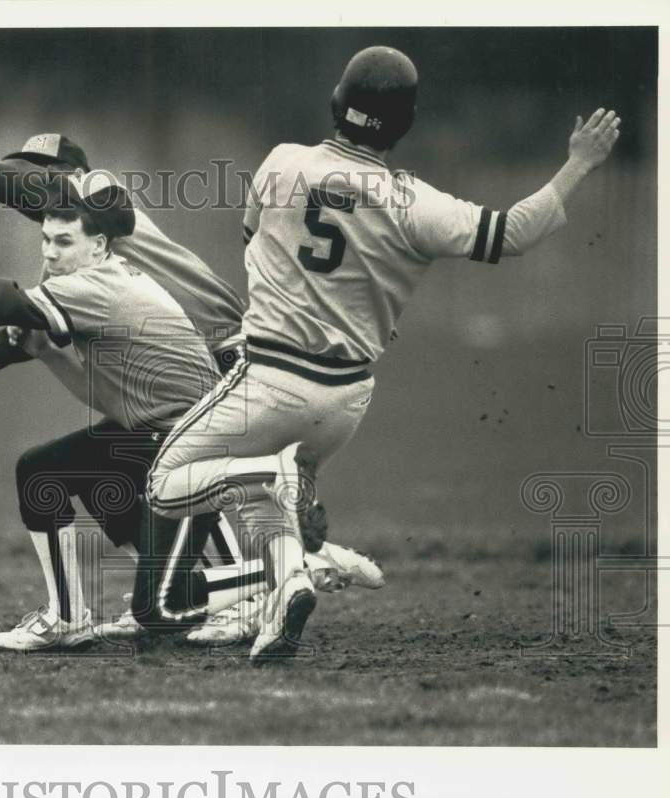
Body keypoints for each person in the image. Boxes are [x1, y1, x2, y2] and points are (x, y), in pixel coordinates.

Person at [146, 45, 621, 662]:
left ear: (337, 104)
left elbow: (255, 242)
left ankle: (280, 478)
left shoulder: (281, 162)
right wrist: (578, 163)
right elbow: (514, 234)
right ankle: (289, 583)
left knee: (165, 485)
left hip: (270, 379)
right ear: (403, 123)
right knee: (262, 497)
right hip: (346, 401)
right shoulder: (412, 202)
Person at [0, 98, 387, 640]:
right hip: (197, 375)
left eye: (48, 176)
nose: (36, 186)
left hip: (228, 354)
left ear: (79, 181)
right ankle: (276, 568)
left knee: (201, 489)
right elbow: (22, 333)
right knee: (124, 479)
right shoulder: (70, 257)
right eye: (29, 174)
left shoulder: (108, 209)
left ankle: (282, 569)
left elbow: (24, 225)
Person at [0, 175, 296, 650]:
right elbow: (18, 339)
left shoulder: (94, 287)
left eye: (64, 241)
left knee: (155, 604)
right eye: (46, 239)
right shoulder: (94, 279)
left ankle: (288, 571)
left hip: (189, 438)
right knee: (63, 473)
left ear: (98, 246)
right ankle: (74, 617)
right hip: (163, 432)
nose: (49, 253)